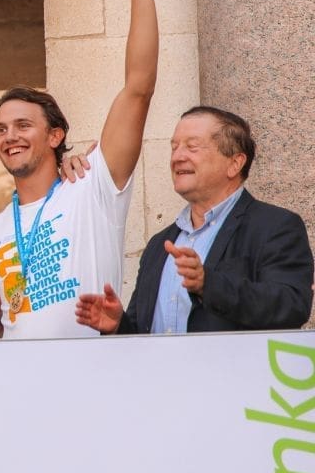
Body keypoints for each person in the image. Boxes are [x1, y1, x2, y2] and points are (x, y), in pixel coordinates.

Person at [0, 0, 159, 338]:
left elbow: (138, 89)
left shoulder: (91, 185)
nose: (10, 137)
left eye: (23, 125)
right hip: (23, 377)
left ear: (55, 135)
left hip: (92, 370)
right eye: (1, 129)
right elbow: (4, 324)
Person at [76, 107, 314, 334]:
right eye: (174, 147)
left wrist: (208, 284)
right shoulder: (160, 245)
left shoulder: (275, 226)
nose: (177, 157)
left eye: (192, 147)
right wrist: (118, 326)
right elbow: (143, 333)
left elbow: (292, 305)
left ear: (234, 163)